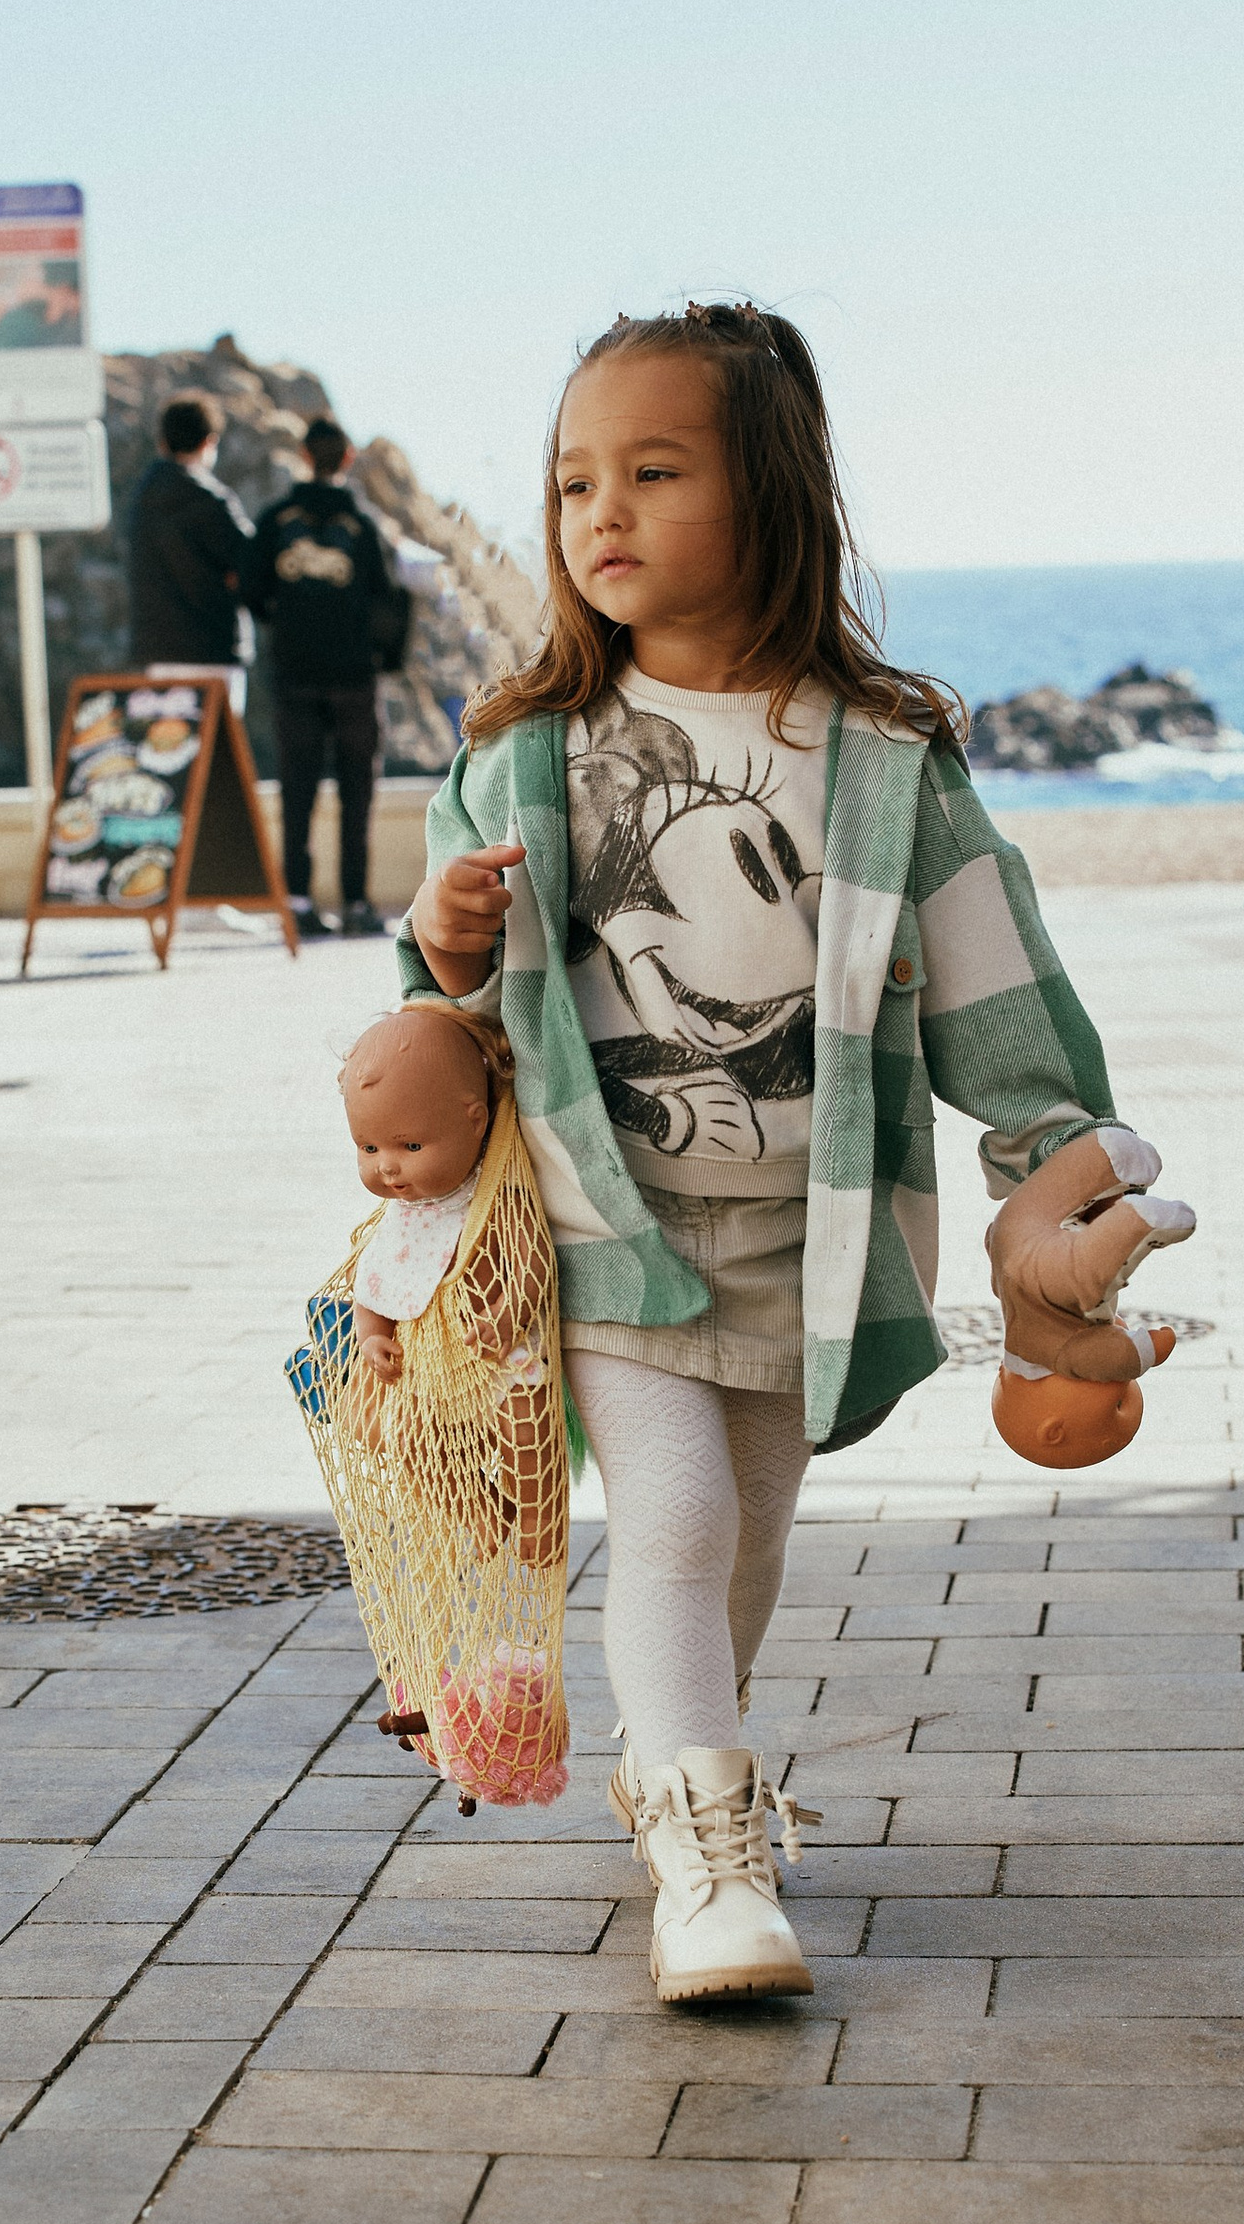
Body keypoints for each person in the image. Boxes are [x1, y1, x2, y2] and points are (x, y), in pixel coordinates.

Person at [401, 299, 1134, 2005]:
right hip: (610, 1223)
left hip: (812, 1240)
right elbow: (452, 1016)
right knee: (672, 1512)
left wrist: (1058, 1160)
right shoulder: (525, 754)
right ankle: (708, 1858)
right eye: (574, 480)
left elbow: (995, 980)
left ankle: (674, 1769)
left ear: (774, 495)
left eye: (655, 471)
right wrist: (441, 943)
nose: (602, 511)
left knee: (742, 1541)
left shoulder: (881, 760)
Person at [243, 415, 399, 938]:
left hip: (295, 675)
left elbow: (250, 590)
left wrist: (286, 622)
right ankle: (355, 903)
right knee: (357, 793)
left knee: (298, 790)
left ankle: (298, 901)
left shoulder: (274, 520)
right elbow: (384, 599)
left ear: (304, 456)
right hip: (355, 678)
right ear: (348, 459)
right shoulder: (363, 526)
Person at [121, 396, 249, 679]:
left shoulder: (141, 500)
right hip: (213, 653)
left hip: (155, 654)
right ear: (209, 442)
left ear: (162, 443)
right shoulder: (214, 501)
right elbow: (248, 569)